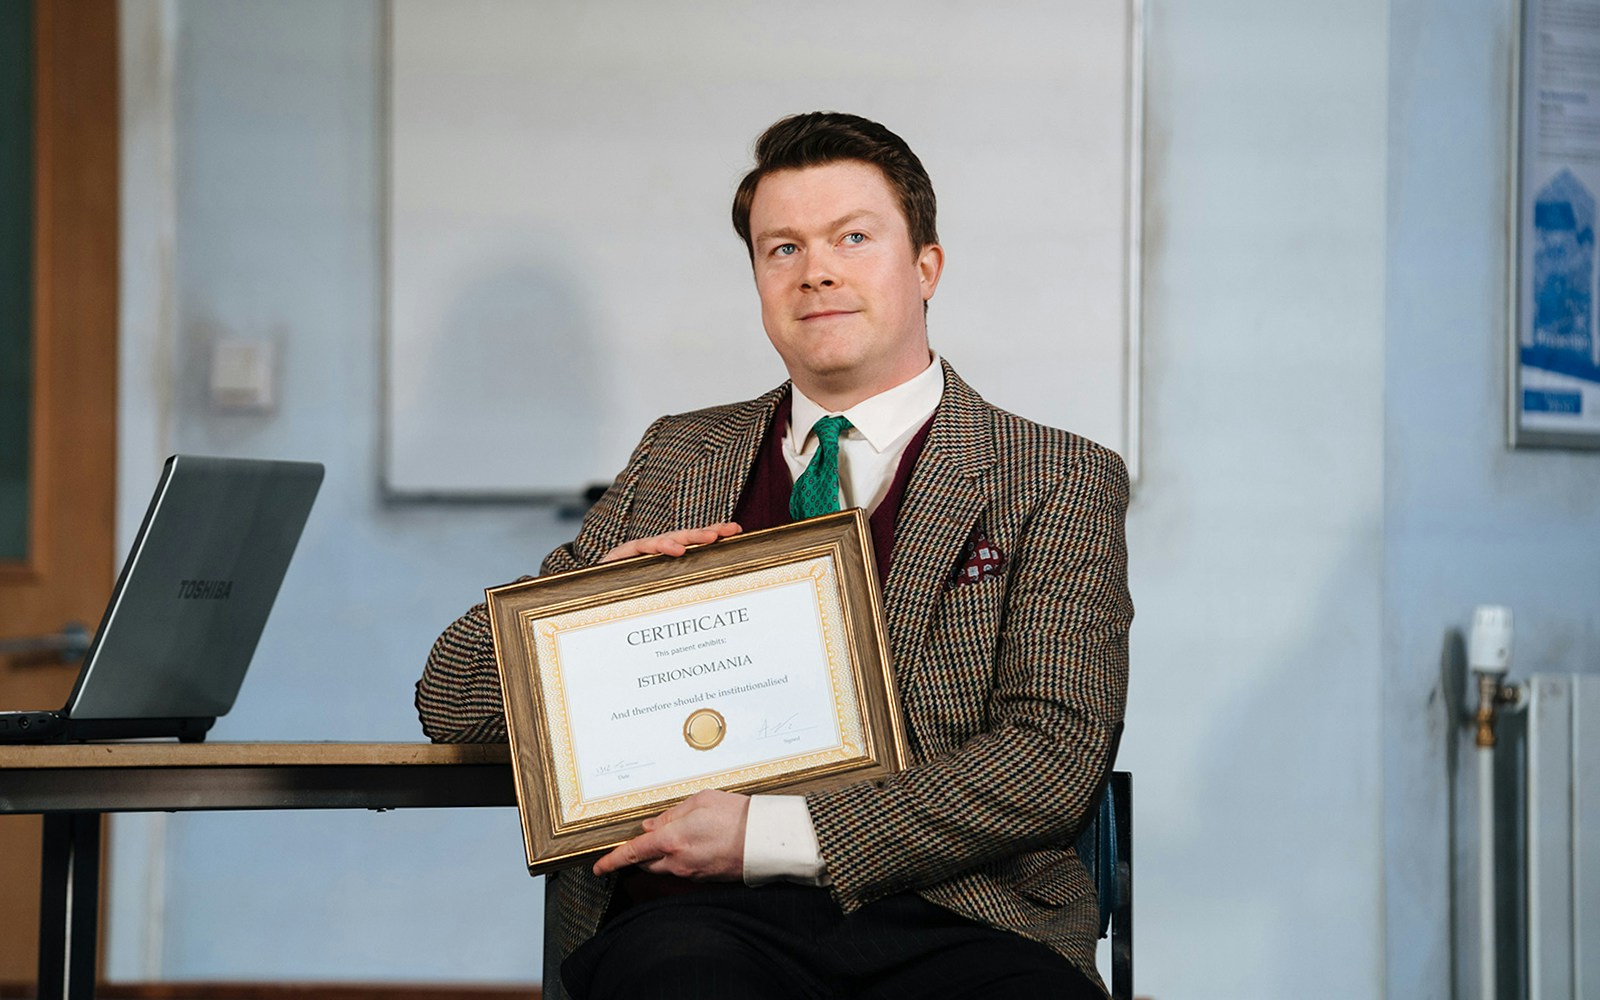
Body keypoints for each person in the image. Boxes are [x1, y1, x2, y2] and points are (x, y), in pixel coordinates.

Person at [416, 111, 1132, 1000]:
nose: (816, 270)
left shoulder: (1056, 477)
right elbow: (452, 702)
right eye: (781, 249)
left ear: (926, 268)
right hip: (689, 921)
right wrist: (591, 598)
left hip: (966, 919)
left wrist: (770, 834)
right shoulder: (679, 458)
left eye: (853, 238)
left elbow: (1050, 760)